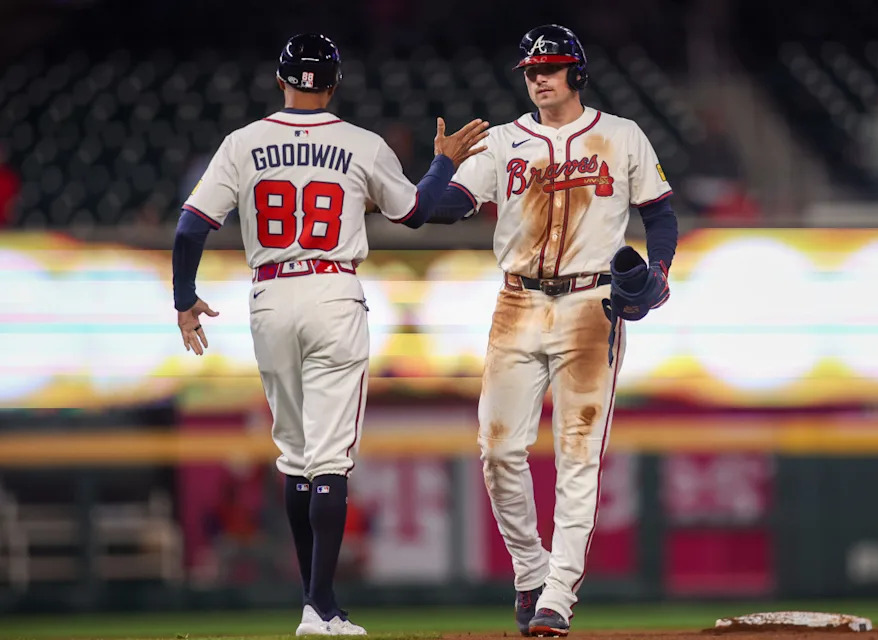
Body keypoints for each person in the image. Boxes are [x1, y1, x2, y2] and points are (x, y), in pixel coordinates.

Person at [171, 33, 488, 636]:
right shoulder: (360, 144)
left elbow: (189, 229)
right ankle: (320, 606)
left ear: (280, 79)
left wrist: (185, 300)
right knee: (330, 460)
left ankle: (316, 603)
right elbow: (416, 212)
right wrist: (444, 162)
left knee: (294, 457)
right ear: (335, 84)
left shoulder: (243, 143)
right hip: (333, 288)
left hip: (267, 294)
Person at [406, 24, 678, 637]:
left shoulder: (620, 135)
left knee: (579, 457)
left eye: (550, 67)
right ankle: (531, 572)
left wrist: (659, 267)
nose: (538, 77)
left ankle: (558, 594)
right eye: (530, 70)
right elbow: (439, 209)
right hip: (518, 302)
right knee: (498, 450)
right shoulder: (504, 142)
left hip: (591, 304)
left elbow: (661, 215)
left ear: (576, 73)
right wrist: (440, 165)